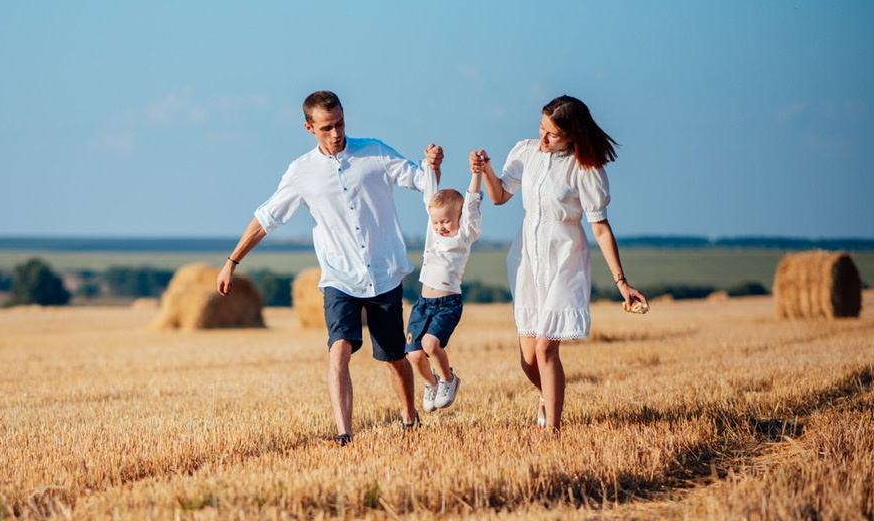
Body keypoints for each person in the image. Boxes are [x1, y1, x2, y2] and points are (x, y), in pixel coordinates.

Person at [216, 90, 444, 446]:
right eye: (326, 127)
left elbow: (423, 185)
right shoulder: (301, 172)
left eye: (339, 124)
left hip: (383, 272)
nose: (336, 133)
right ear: (309, 128)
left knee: (394, 357)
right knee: (339, 348)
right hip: (339, 277)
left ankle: (409, 418)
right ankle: (344, 433)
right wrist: (232, 262)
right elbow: (265, 220)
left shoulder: (376, 152)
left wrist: (432, 166)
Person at [471, 95, 647, 432]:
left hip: (565, 258)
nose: (543, 139)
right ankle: (547, 395)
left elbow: (600, 227)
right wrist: (486, 170)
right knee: (528, 360)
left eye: (551, 134)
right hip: (527, 259)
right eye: (541, 129)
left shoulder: (586, 168)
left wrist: (621, 282)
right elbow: (498, 196)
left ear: (571, 135)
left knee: (545, 347)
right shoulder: (526, 151)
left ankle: (553, 430)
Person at [406, 163, 483, 412]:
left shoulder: (464, 234)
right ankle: (432, 383)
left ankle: (449, 379)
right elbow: (430, 193)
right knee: (414, 355)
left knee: (430, 345)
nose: (440, 227)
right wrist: (429, 165)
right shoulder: (433, 233)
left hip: (447, 304)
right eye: (436, 222)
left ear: (458, 218)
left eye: (446, 221)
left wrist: (476, 173)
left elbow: (471, 204)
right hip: (423, 304)